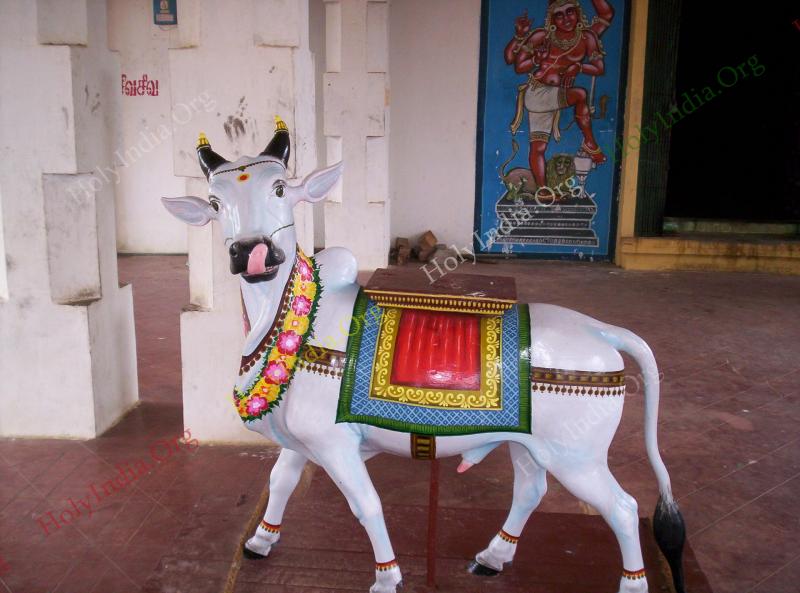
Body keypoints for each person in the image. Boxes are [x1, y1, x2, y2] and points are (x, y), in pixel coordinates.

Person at [505, 0, 614, 190]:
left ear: (578, 13)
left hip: (555, 95)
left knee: (538, 148)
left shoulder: (587, 37)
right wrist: (535, 58)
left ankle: (543, 190)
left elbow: (599, 66)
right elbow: (517, 65)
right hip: (538, 93)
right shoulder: (543, 36)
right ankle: (590, 143)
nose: (566, 18)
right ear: (552, 19)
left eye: (570, 12)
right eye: (560, 14)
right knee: (580, 94)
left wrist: (578, 67)